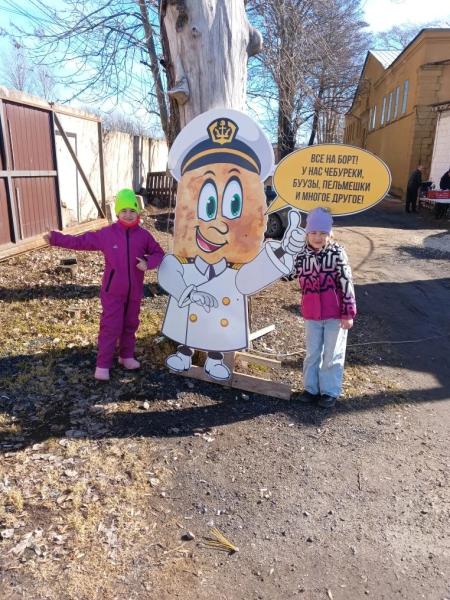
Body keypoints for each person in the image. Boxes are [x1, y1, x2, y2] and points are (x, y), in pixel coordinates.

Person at [157, 108, 304, 381]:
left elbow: (254, 275)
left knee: (219, 330)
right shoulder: (183, 263)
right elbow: (167, 271)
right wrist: (188, 291)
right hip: (186, 319)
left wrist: (286, 248)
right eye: (206, 204)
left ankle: (216, 358)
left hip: (222, 324)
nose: (218, 224)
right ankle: (185, 352)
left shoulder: (236, 271)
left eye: (234, 206)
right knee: (189, 328)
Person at [44, 189, 164, 381]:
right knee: (111, 327)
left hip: (134, 292)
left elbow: (159, 253)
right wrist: (55, 238)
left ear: (138, 212)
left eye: (132, 210)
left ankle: (126, 356)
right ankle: (103, 365)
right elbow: (80, 242)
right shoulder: (107, 234)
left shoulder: (143, 236)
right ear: (117, 212)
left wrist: (148, 262)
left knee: (130, 324)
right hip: (113, 292)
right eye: (123, 210)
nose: (128, 214)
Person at [294, 208, 356, 408]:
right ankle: (310, 388)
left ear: (330, 233)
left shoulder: (337, 253)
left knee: (332, 354)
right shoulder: (301, 255)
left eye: (322, 233)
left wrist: (348, 313)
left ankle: (329, 391)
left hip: (334, 314)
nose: (318, 237)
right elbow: (287, 275)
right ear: (307, 233)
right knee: (312, 352)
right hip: (312, 314)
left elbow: (346, 283)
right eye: (313, 232)